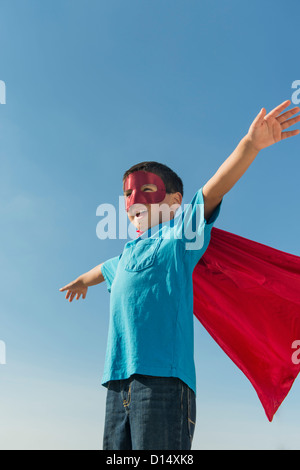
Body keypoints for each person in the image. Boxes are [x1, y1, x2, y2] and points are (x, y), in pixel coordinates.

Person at [60, 99, 300, 450]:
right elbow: (104, 269)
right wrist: (83, 280)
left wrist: (249, 146)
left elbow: (213, 189)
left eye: (145, 190)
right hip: (117, 384)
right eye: (127, 194)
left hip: (163, 384)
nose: (132, 201)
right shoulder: (125, 256)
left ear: (174, 202)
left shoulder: (178, 239)